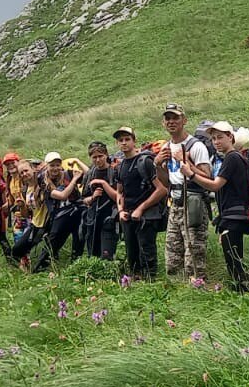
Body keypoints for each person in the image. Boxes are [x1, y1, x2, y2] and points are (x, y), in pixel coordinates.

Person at [186, 121, 249, 291]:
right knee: (234, 257)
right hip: (235, 214)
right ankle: (243, 291)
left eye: (220, 137)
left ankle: (242, 292)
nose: (216, 142)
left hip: (233, 215)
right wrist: (191, 167)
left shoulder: (231, 158)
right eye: (213, 139)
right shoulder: (236, 157)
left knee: (233, 260)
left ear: (230, 137)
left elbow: (215, 185)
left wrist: (191, 174)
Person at [156, 104, 212, 282]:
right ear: (163, 123)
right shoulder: (166, 147)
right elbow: (166, 182)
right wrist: (158, 165)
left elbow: (207, 177)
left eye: (175, 118)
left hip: (193, 203)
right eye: (168, 119)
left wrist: (186, 163)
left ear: (184, 120)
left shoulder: (195, 146)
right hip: (175, 203)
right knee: (172, 256)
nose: (171, 122)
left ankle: (198, 288)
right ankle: (177, 289)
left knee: (193, 256)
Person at [113, 126, 167, 278]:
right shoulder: (120, 166)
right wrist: (121, 210)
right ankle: (135, 281)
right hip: (128, 215)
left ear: (134, 141)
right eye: (120, 140)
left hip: (147, 216)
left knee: (147, 253)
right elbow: (120, 192)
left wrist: (141, 208)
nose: (124, 143)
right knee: (132, 254)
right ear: (117, 143)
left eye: (127, 139)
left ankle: (151, 283)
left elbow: (162, 190)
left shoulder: (145, 162)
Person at [32, 151, 83, 270]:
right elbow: (62, 196)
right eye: (52, 165)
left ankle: (76, 267)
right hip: (59, 214)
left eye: (57, 165)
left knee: (79, 238)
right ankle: (39, 268)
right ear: (46, 166)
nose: (55, 168)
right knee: (53, 240)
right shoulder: (43, 180)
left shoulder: (67, 174)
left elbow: (89, 174)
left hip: (76, 211)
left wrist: (77, 161)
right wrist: (74, 180)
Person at [76, 142, 120, 260]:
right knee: (93, 255)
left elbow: (119, 197)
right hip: (93, 219)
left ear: (106, 155)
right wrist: (92, 197)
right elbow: (83, 199)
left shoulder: (115, 172)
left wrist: (104, 184)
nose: (98, 160)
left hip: (110, 218)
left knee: (107, 255)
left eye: (100, 156)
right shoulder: (90, 174)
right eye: (94, 157)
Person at [0, 152, 23, 261]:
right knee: (18, 240)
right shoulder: (10, 179)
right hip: (17, 216)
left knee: (26, 241)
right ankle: (23, 264)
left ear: (18, 162)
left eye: (13, 163)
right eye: (8, 164)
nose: (11, 166)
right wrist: (3, 207)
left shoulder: (24, 176)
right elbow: (11, 200)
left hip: (29, 214)